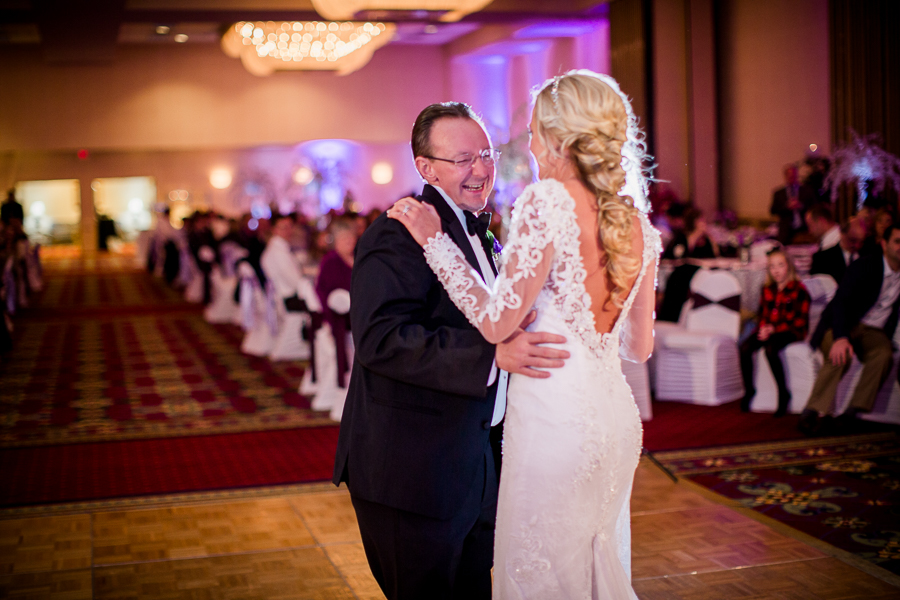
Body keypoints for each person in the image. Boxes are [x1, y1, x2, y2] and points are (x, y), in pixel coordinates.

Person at [390, 71, 660, 599]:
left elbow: (496, 323)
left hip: (556, 415)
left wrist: (434, 243)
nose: (529, 144)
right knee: (597, 562)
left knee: (540, 573)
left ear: (561, 136)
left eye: (535, 130)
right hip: (615, 419)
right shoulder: (639, 223)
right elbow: (639, 346)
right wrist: (584, 325)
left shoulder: (549, 202)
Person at [333, 102, 571, 600]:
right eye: (463, 159)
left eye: (485, 154)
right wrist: (491, 358)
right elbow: (382, 341)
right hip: (412, 470)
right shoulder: (395, 235)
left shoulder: (481, 230)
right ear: (425, 167)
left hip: (476, 458)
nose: (481, 169)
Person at [799, 224, 900, 436]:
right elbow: (840, 303)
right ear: (884, 244)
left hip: (873, 331)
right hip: (841, 323)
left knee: (883, 355)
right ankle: (812, 411)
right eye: (897, 242)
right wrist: (841, 337)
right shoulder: (866, 266)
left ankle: (852, 413)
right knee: (840, 355)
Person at [739, 249, 810, 416]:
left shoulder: (799, 290)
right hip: (770, 329)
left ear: (789, 267)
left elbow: (800, 321)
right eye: (772, 267)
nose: (776, 270)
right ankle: (749, 390)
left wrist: (774, 329)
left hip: (791, 330)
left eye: (780, 265)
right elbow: (762, 313)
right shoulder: (767, 289)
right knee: (744, 348)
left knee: (771, 349)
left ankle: (783, 393)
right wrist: (764, 328)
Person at [771, 163, 817, 244]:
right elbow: (773, 210)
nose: (792, 178)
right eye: (790, 176)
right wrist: (787, 207)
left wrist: (801, 206)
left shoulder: (806, 191)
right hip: (785, 232)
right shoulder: (779, 193)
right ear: (785, 176)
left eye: (794, 176)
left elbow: (814, 207)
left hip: (803, 230)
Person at [809, 217, 864, 284]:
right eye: (852, 240)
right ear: (842, 234)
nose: (857, 245)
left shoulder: (868, 255)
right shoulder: (822, 259)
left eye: (861, 241)